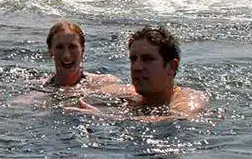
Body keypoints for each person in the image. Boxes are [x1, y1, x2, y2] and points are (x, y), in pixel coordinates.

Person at [67, 24, 208, 120]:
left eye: (148, 59)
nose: (137, 67)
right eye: (133, 59)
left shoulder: (188, 100)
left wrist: (105, 117)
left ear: (172, 66)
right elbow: (71, 92)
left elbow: (179, 118)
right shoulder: (127, 92)